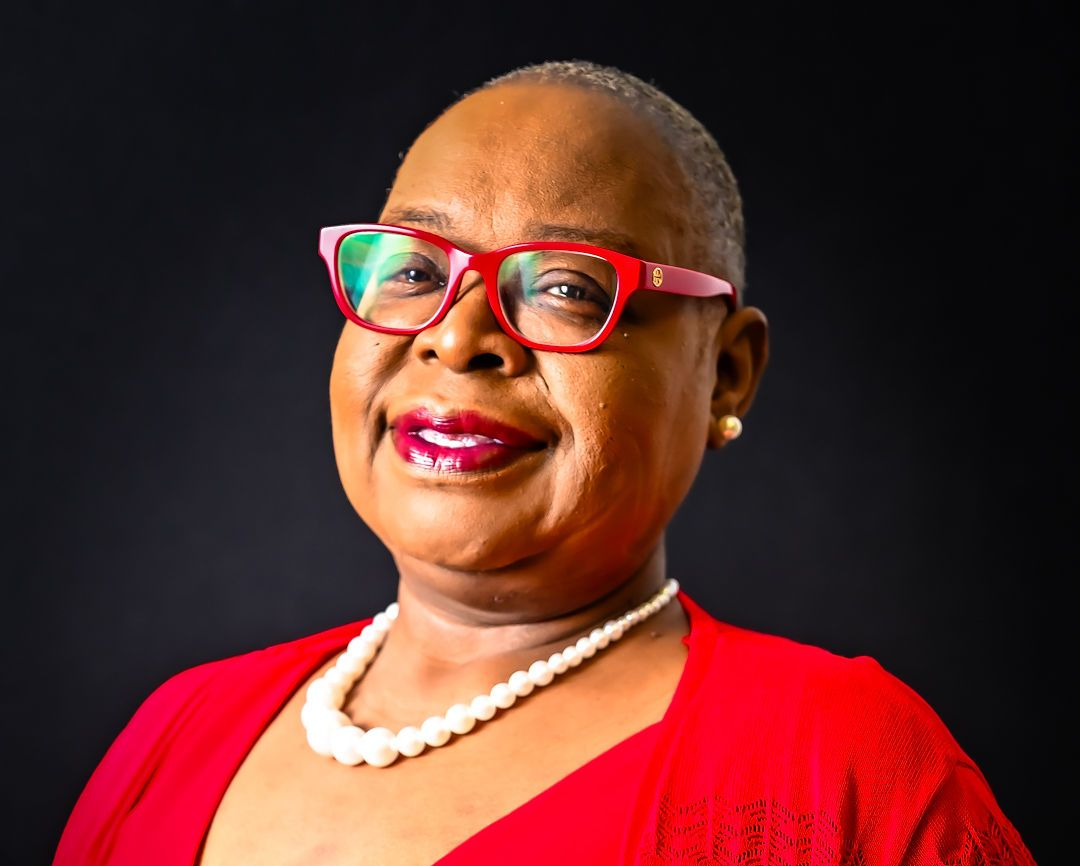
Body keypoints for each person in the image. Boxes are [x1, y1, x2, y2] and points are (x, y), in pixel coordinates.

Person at [53, 59, 1037, 866]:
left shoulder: (843, 768)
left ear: (726, 373)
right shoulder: (176, 731)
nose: (457, 337)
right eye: (412, 270)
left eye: (566, 287)